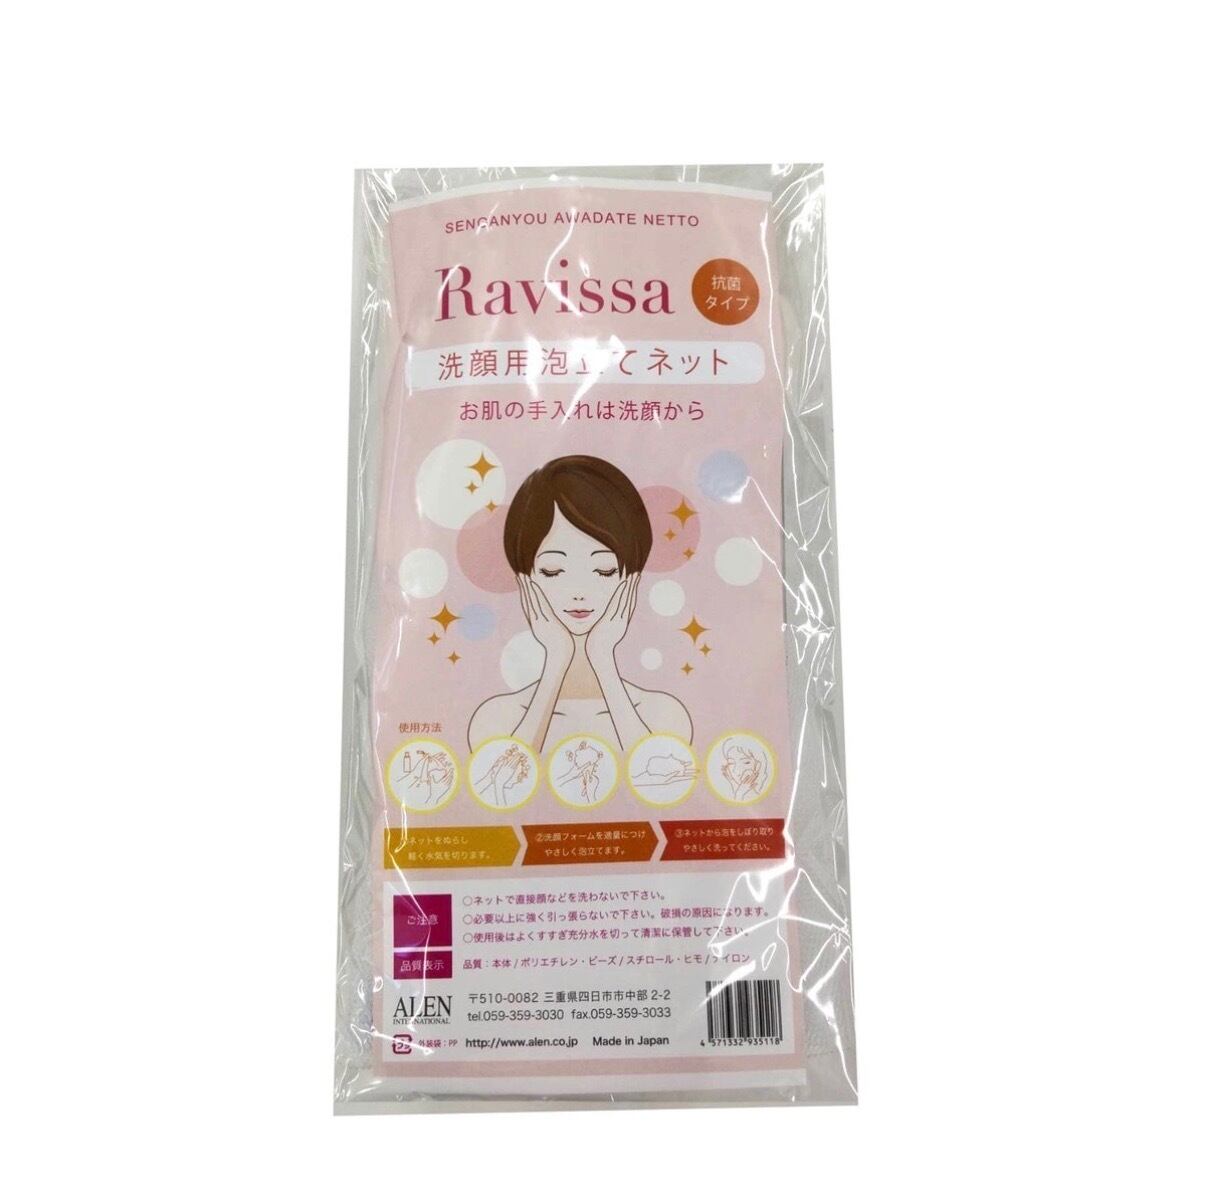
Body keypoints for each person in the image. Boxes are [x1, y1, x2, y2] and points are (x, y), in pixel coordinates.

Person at [468, 455, 691, 753]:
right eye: (553, 571)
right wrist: (556, 661)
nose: (579, 592)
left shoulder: (662, 714)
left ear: (632, 579)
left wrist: (603, 659)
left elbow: (655, 774)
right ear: (525, 580)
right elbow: (505, 777)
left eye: (604, 570)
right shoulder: (496, 718)